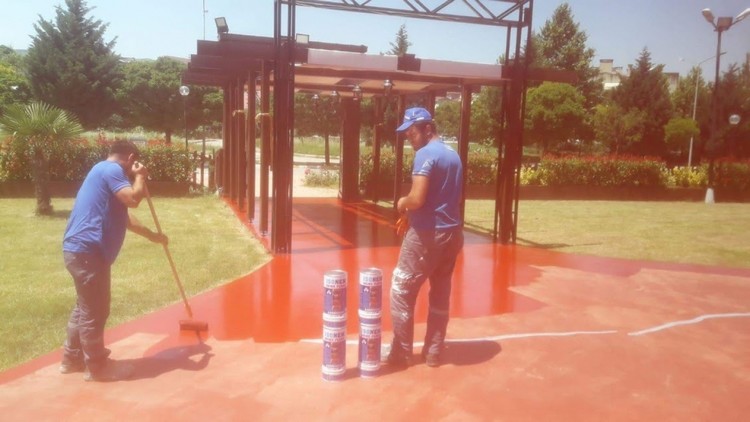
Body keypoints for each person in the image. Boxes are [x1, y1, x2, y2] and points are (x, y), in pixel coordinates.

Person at [60, 140, 167, 382]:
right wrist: (141, 176)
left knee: (85, 307)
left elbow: (126, 218)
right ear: (131, 158)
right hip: (89, 251)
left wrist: (153, 236)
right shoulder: (112, 170)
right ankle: (97, 367)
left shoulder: (101, 172)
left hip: (79, 251)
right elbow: (133, 199)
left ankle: (72, 359)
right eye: (134, 165)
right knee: (95, 310)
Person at [382, 107, 464, 368]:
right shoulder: (452, 154)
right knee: (440, 290)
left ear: (428, 129)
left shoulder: (425, 154)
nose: (409, 137)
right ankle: (434, 351)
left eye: (413, 132)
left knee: (401, 290)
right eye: (407, 133)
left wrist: (402, 203)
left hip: (427, 235)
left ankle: (401, 353)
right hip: (452, 233)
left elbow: (417, 199)